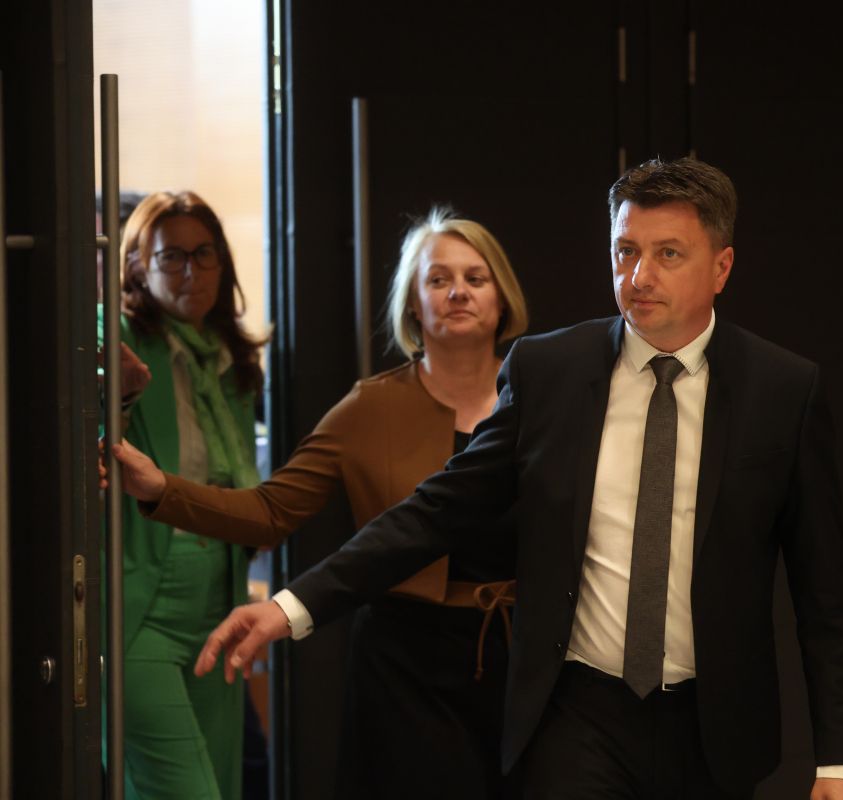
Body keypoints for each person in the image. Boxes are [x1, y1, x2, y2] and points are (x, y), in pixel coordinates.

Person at [194, 158, 843, 799]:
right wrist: (292, 607)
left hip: (714, 724)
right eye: (626, 250)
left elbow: (826, 597)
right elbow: (437, 510)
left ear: (721, 267)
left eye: (668, 254)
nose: (639, 276)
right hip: (578, 713)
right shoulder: (550, 371)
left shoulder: (783, 392)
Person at [109, 207, 529, 797]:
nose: (457, 291)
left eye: (475, 278)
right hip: (406, 665)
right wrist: (161, 489)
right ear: (413, 304)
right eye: (438, 279)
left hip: (522, 653)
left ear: (502, 296)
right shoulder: (371, 406)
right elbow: (270, 511)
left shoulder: (540, 398)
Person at [106, 190, 267, 799]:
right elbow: (80, 436)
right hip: (141, 599)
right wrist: (120, 393)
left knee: (222, 784)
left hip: (221, 597)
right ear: (137, 266)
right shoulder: (115, 334)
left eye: (203, 254)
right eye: (170, 256)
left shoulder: (230, 356)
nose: (190, 271)